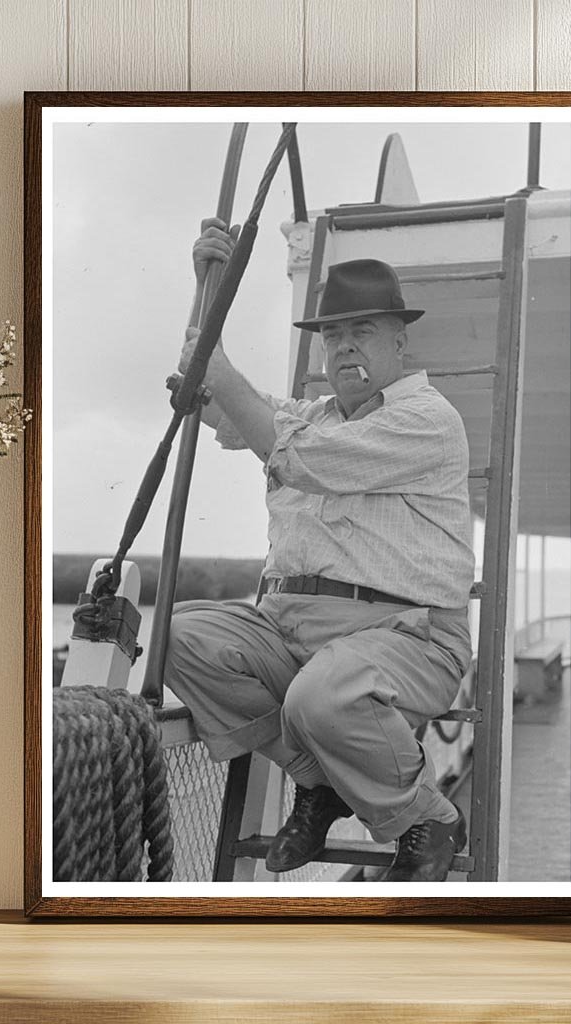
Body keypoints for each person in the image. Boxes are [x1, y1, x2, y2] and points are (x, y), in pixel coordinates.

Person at [164, 218, 475, 881]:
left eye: (360, 332)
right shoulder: (307, 415)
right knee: (177, 635)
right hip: (291, 633)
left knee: (322, 696)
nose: (343, 347)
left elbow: (296, 454)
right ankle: (322, 782)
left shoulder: (426, 420)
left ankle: (427, 814)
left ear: (400, 341)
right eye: (333, 335)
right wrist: (204, 291)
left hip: (406, 638)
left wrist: (220, 368)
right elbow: (201, 392)